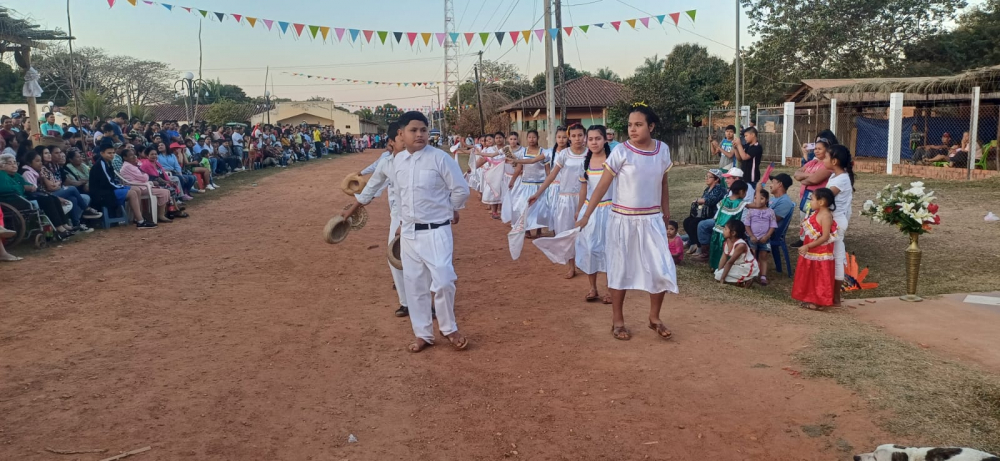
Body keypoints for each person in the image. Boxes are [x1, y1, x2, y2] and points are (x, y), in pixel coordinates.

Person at [575, 105, 677, 341]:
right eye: (630, 125)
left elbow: (663, 183)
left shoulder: (662, 150)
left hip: (651, 220)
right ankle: (618, 321)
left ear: (651, 126)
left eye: (638, 124)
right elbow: (601, 186)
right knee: (620, 270)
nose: (632, 129)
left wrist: (666, 213)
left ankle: (654, 318)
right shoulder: (621, 152)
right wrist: (586, 214)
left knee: (661, 268)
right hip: (623, 220)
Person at [386, 111, 469, 353]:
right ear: (401, 134)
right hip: (410, 234)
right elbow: (400, 196)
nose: (420, 134)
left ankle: (448, 327)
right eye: (414, 130)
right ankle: (423, 334)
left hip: (437, 231)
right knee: (415, 286)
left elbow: (461, 189)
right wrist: (402, 222)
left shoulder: (440, 159)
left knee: (444, 281)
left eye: (423, 130)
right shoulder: (397, 162)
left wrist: (452, 209)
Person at [343, 122, 409, 317]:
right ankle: (405, 303)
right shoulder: (386, 162)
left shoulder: (423, 160)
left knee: (423, 263)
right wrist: (349, 212)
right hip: (398, 217)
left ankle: (427, 302)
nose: (407, 141)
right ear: (391, 140)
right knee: (394, 258)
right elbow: (371, 189)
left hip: (422, 217)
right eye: (402, 137)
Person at [529, 123, 587, 279]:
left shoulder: (590, 154)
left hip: (586, 199)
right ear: (569, 137)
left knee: (587, 233)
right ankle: (571, 266)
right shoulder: (564, 154)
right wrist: (538, 193)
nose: (577, 139)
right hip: (565, 199)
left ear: (585, 136)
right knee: (566, 232)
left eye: (580, 135)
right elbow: (552, 175)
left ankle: (587, 264)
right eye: (573, 136)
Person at [574, 125, 614, 304]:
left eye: (598, 138)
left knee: (609, 250)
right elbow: (584, 189)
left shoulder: (613, 160)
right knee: (589, 248)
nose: (594, 142)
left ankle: (610, 289)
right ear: (586, 141)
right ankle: (592, 287)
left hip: (610, 210)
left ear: (605, 139)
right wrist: (579, 210)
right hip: (590, 211)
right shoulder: (585, 161)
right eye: (590, 139)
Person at [89, 141, 157, 229]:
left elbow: (111, 181)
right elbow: (109, 182)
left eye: (113, 153)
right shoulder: (100, 164)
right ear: (102, 153)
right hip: (103, 193)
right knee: (132, 193)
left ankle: (137, 218)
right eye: (109, 153)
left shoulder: (108, 162)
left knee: (136, 189)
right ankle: (141, 222)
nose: (112, 155)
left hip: (109, 189)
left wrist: (121, 186)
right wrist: (121, 186)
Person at [7, 151, 75, 239]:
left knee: (53, 198)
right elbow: (10, 188)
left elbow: (29, 185)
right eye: (10, 163)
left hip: (28, 195)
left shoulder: (17, 175)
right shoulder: (11, 175)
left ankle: (64, 224)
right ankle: (59, 228)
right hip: (18, 199)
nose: (14, 165)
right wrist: (24, 187)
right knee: (48, 199)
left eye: (15, 163)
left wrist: (28, 187)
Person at [792, 188, 838, 310]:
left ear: (821, 202)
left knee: (820, 277)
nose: (810, 202)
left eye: (812, 199)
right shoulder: (816, 213)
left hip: (819, 252)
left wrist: (808, 246)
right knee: (811, 276)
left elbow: (825, 236)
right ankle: (810, 297)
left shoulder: (826, 216)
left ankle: (819, 302)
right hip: (812, 251)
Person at [825, 145, 855, 307]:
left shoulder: (842, 178)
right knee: (830, 257)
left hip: (835, 222)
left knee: (836, 257)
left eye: (826, 157)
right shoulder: (834, 176)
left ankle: (835, 297)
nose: (823, 160)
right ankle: (829, 294)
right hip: (830, 219)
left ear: (834, 161)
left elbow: (825, 198)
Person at [508, 130, 551, 238]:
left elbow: (547, 170)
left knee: (540, 208)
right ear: (527, 139)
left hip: (540, 185)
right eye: (529, 137)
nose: (531, 139)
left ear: (538, 138)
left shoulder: (543, 152)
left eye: (534, 137)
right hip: (526, 184)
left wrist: (551, 182)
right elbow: (518, 168)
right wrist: (512, 181)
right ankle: (526, 230)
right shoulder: (523, 152)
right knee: (524, 207)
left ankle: (538, 230)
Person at [120, 148, 173, 223]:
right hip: (138, 187)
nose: (134, 157)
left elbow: (143, 174)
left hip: (143, 185)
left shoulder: (132, 165)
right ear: (125, 158)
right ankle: (160, 215)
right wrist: (144, 174)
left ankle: (160, 214)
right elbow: (144, 177)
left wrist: (141, 171)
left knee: (166, 191)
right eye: (131, 155)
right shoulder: (127, 166)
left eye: (134, 155)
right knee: (164, 192)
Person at [682, 169, 726, 254]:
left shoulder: (719, 189)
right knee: (687, 221)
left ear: (717, 179)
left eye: (710, 177)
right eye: (706, 176)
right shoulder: (707, 189)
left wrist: (700, 200)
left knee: (694, 223)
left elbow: (712, 201)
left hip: (713, 215)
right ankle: (694, 242)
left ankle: (699, 246)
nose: (707, 178)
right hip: (704, 213)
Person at [709, 180, 748, 270]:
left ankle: (714, 266)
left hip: (718, 229)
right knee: (727, 250)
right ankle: (725, 268)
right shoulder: (740, 203)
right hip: (730, 233)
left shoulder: (725, 200)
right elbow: (757, 205)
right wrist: (758, 189)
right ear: (742, 191)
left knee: (716, 248)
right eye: (745, 192)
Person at [742, 190, 776, 285]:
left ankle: (763, 276)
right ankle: (752, 274)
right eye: (756, 198)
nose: (758, 201)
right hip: (752, 238)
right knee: (752, 254)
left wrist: (767, 236)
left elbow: (772, 225)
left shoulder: (770, 212)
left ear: (766, 199)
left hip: (765, 238)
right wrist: (751, 236)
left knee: (763, 256)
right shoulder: (751, 211)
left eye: (761, 198)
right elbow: (747, 225)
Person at [714, 220, 759, 286]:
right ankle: (742, 281)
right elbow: (723, 257)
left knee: (719, 275)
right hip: (737, 266)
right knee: (717, 273)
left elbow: (730, 262)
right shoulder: (727, 241)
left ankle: (747, 279)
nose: (723, 230)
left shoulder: (740, 245)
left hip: (746, 267)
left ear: (733, 233)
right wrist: (720, 270)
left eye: (725, 229)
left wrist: (722, 279)